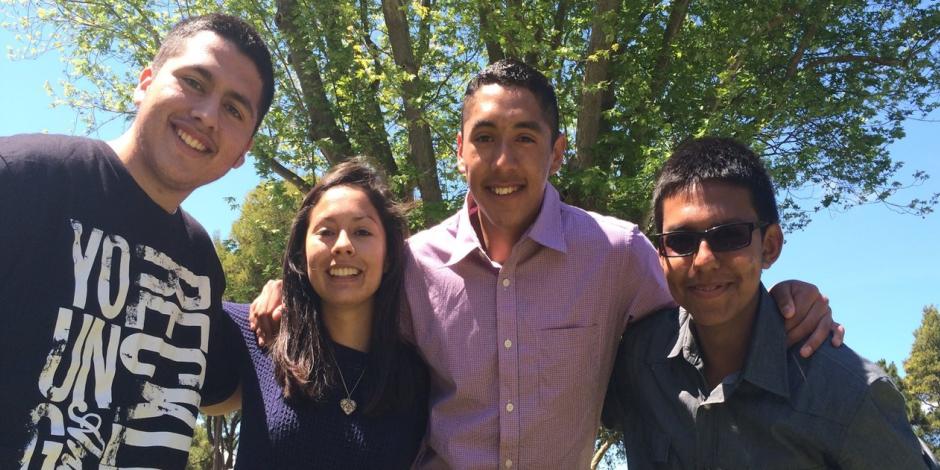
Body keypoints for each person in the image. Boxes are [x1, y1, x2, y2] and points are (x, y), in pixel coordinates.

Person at [250, 59, 842, 469]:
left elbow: (711, 300)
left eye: (526, 138)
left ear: (557, 151)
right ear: (459, 151)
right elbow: (344, 318)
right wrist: (286, 288)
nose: (503, 160)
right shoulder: (412, 263)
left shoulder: (619, 253)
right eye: (484, 137)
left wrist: (786, 298)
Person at [0, 14, 274, 468]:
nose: (207, 115)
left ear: (243, 149)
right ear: (145, 81)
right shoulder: (22, 179)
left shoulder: (199, 263)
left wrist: (293, 301)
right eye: (194, 81)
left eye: (234, 109)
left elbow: (223, 388)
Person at [603, 137, 937, 469]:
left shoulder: (847, 392)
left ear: (770, 246)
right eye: (680, 240)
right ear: (661, 254)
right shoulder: (637, 360)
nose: (704, 260)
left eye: (729, 235)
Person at [203, 159, 428, 468]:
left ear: (389, 256)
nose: (343, 246)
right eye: (326, 231)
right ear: (301, 252)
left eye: (362, 231)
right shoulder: (256, 331)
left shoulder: (419, 373)